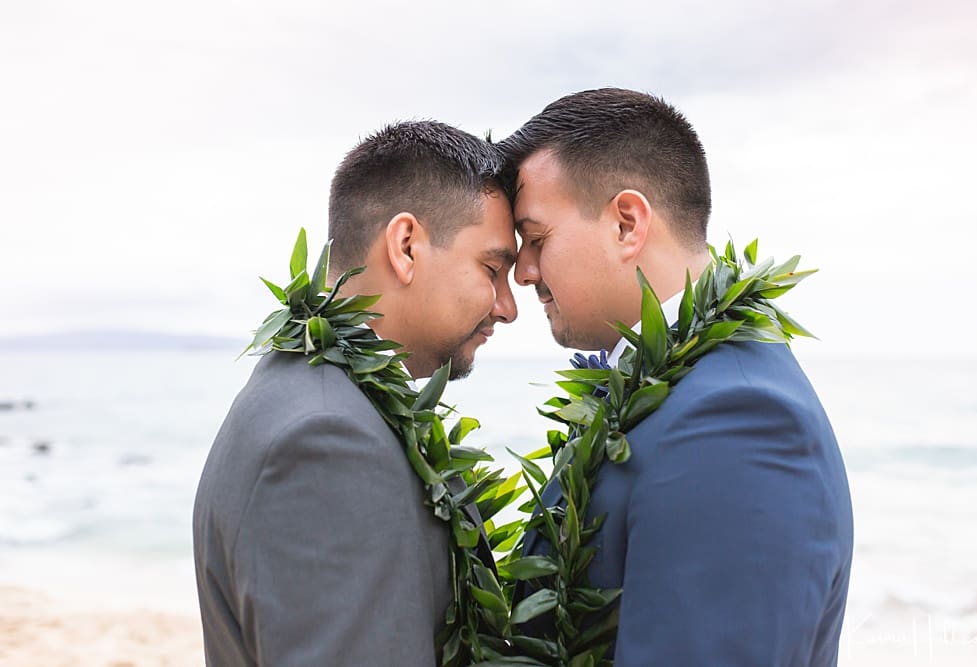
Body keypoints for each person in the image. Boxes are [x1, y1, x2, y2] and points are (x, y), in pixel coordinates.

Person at [500, 88, 853, 666]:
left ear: (626, 224)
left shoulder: (738, 421)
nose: (523, 273)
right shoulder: (662, 387)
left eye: (536, 240)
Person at [193, 120, 518, 666]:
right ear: (406, 245)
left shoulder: (311, 395)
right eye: (492, 268)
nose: (507, 306)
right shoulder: (326, 440)